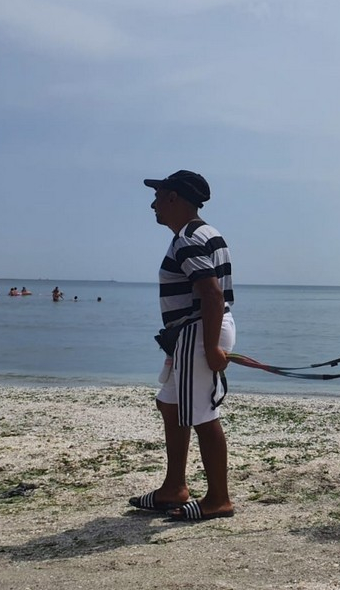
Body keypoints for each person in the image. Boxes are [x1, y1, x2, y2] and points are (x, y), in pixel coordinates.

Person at [129, 170, 236, 521]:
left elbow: (212, 294)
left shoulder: (188, 238)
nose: (153, 204)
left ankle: (218, 499)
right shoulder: (206, 233)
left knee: (202, 416)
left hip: (198, 331)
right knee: (170, 405)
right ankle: (174, 487)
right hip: (195, 332)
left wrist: (212, 348)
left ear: (174, 198)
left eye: (158, 196)